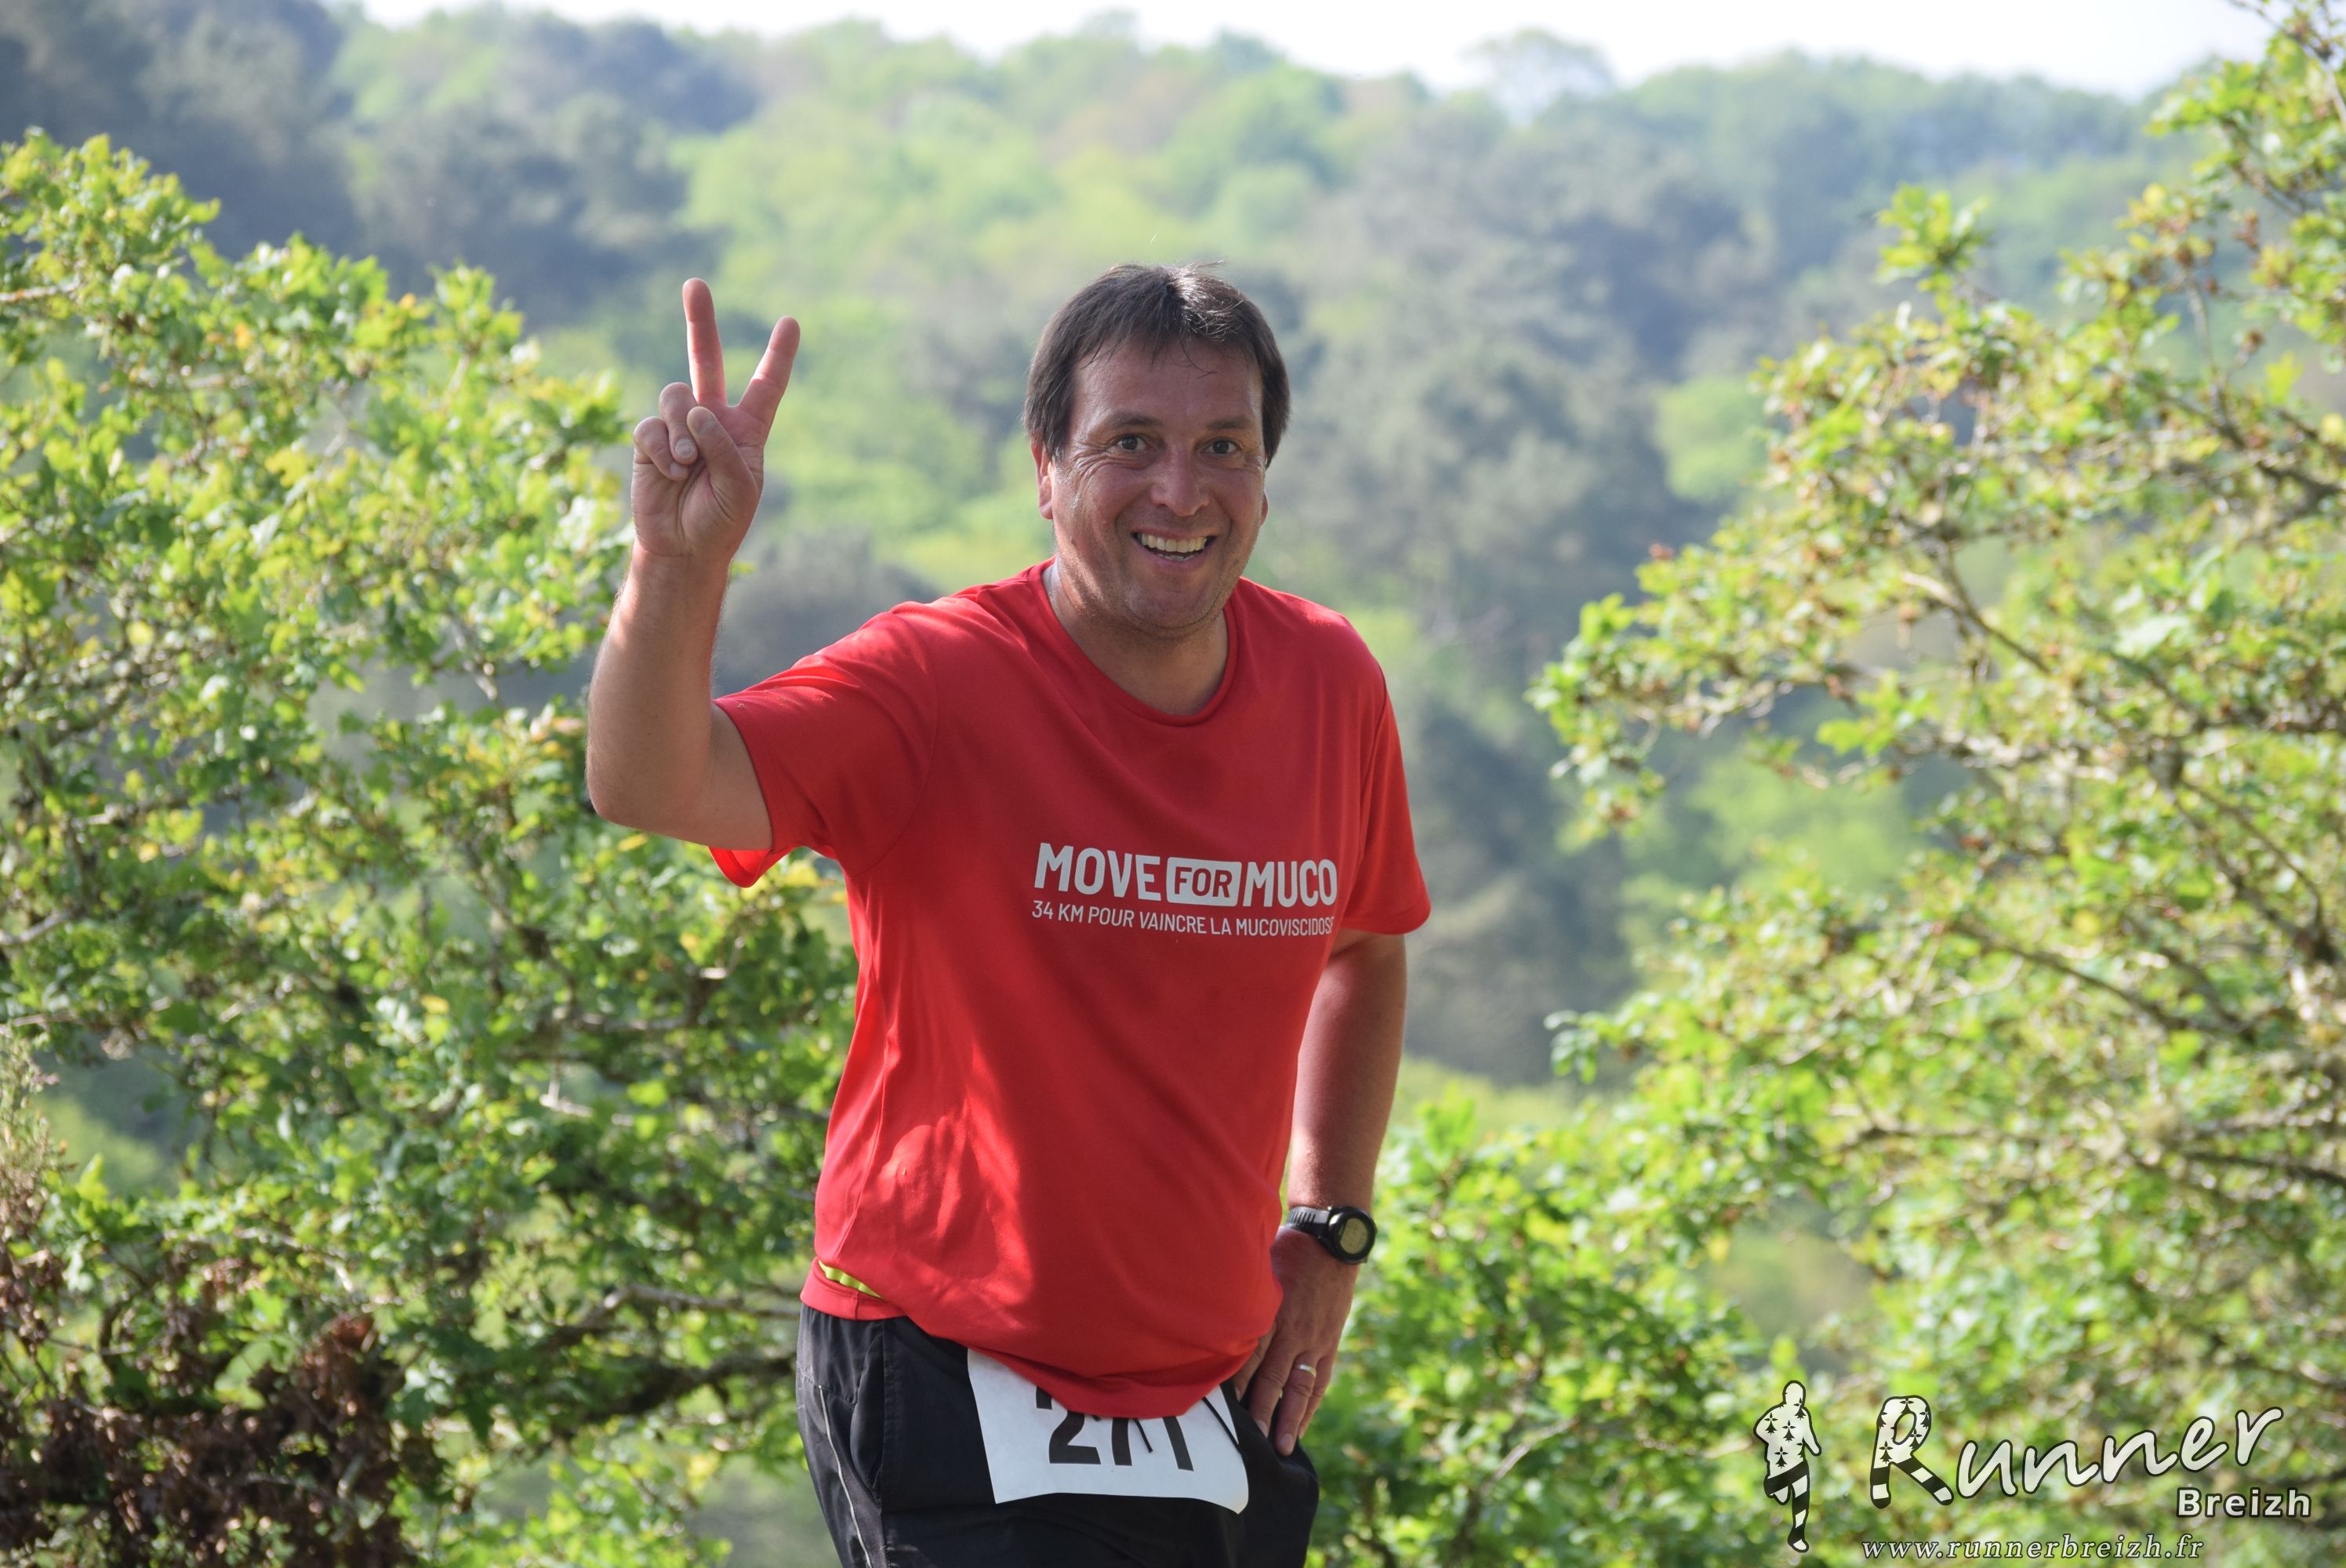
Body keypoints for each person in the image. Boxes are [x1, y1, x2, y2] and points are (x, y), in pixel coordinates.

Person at [586, 263, 1431, 1567]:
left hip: (1214, 1382)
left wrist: (1330, 1227)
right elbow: (650, 783)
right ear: (1046, 467)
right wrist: (676, 562)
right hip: (941, 1360)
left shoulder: (1329, 683)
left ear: (1265, 479)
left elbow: (1366, 947)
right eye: (1129, 443)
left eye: (1224, 448)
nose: (1180, 491)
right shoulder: (935, 683)